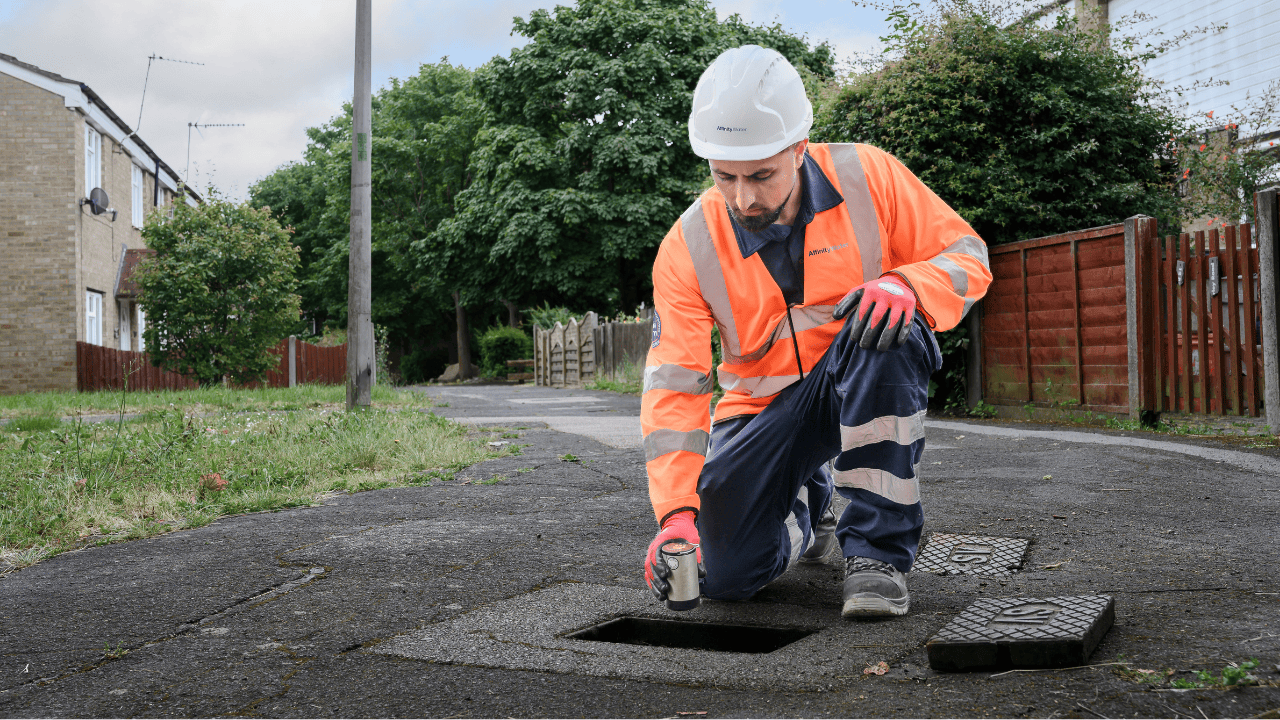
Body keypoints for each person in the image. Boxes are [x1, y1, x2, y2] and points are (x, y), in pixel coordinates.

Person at [641, 45, 991, 618]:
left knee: (890, 323)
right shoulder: (688, 245)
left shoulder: (867, 174)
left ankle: (877, 556)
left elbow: (967, 254)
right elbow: (675, 383)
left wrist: (909, 285)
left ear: (800, 147)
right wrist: (676, 514)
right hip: (759, 413)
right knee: (725, 576)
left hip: (860, 372)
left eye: (760, 174)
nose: (743, 197)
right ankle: (810, 502)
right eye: (724, 176)